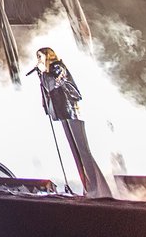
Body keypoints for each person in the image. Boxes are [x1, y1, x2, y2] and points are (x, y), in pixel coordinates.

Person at [34, 47, 113, 199]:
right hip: (61, 112)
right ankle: (88, 187)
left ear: (48, 56)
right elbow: (47, 90)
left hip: (71, 111)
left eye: (40, 56)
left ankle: (99, 188)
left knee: (83, 151)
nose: (38, 59)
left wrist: (43, 72)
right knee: (76, 152)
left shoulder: (57, 67)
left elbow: (52, 85)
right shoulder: (47, 71)